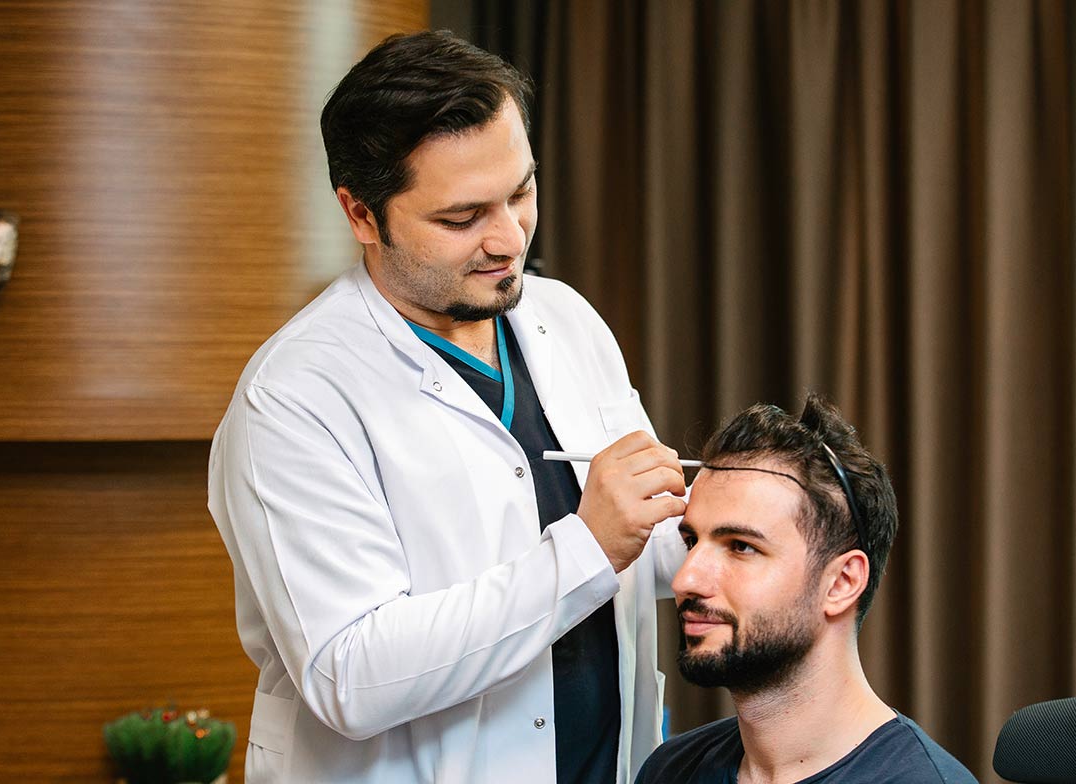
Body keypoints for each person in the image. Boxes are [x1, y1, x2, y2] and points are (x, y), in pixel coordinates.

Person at [207, 30, 688, 784]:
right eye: (462, 217)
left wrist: (733, 515)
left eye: (521, 192)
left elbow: (645, 541)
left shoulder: (564, 320)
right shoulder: (294, 399)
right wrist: (584, 549)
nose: (508, 240)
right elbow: (348, 675)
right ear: (362, 214)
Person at [637, 395, 978, 783]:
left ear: (841, 583)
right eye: (690, 542)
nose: (685, 580)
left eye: (741, 546)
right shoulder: (671, 770)